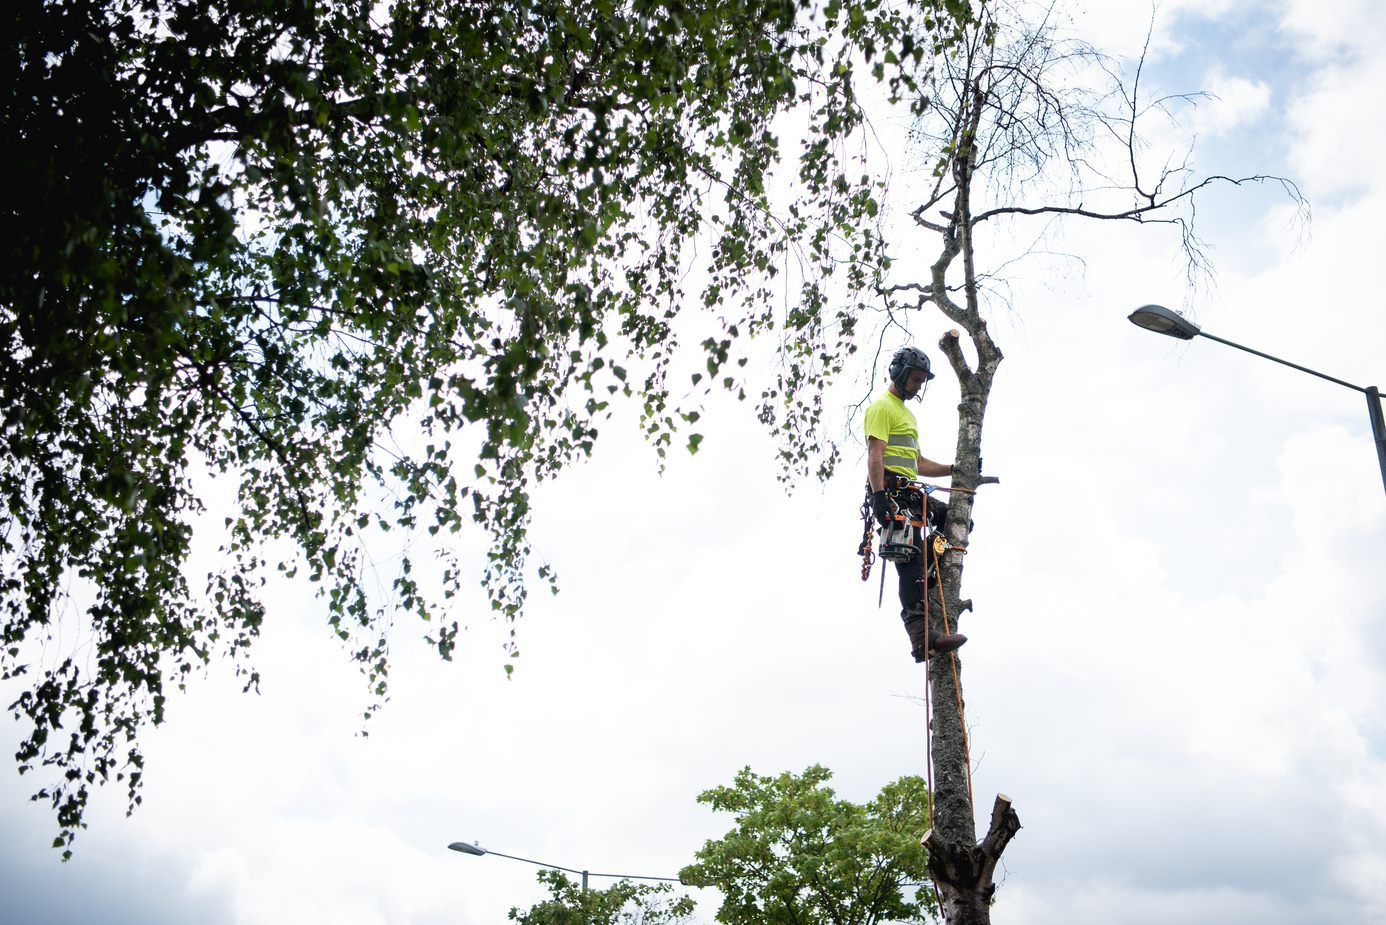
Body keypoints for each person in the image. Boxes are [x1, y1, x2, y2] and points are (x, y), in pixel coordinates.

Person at [864, 346, 968, 662]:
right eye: (915, 379)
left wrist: (955, 468)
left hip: (911, 493)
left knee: (955, 518)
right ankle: (922, 638)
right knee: (909, 563)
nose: (918, 386)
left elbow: (918, 462)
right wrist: (880, 498)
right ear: (899, 372)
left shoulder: (907, 413)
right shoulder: (882, 407)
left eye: (922, 381)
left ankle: (933, 566)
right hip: (892, 493)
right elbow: (876, 456)